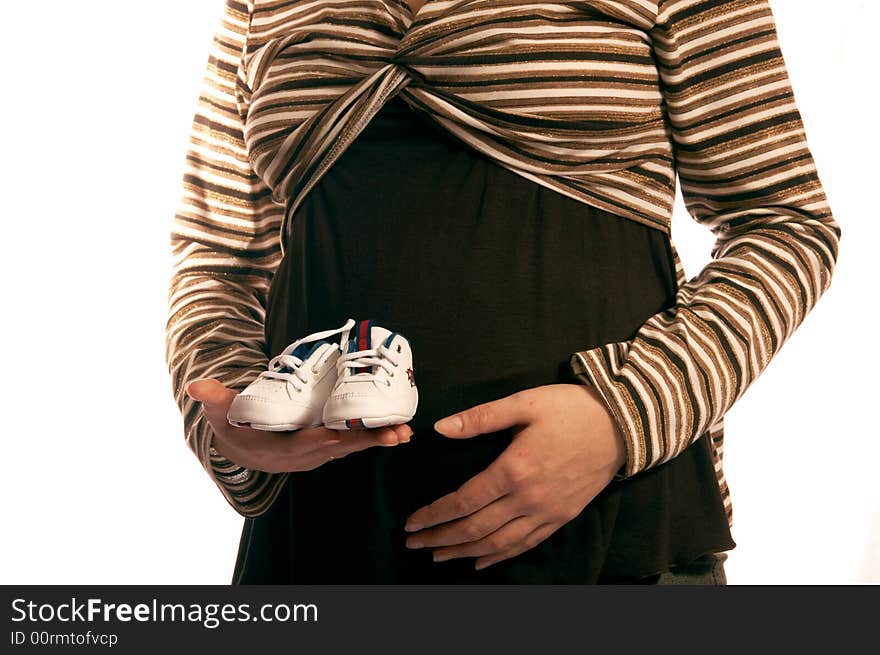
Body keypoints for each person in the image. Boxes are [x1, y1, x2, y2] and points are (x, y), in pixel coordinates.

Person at [166, 0, 840, 584]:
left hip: (609, 534)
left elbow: (786, 225)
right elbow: (218, 252)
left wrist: (621, 417)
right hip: (325, 536)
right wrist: (233, 423)